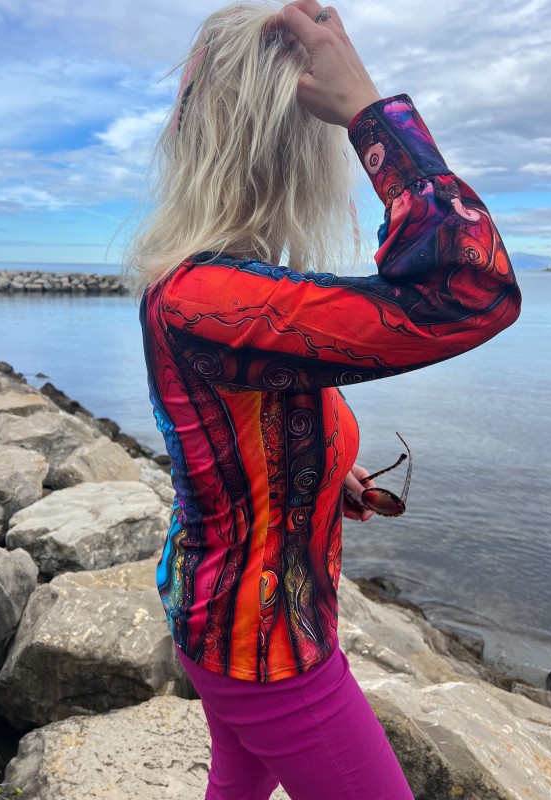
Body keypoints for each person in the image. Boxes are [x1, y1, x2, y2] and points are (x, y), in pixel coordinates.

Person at [126, 1, 522, 797]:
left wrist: (321, 473)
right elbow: (472, 289)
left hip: (216, 612)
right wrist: (370, 114)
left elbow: (235, 429)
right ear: (286, 148)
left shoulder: (204, 284)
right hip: (267, 653)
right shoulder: (210, 300)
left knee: (235, 786)